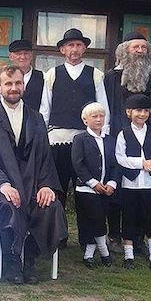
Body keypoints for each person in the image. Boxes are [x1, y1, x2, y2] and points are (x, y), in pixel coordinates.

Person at [0, 65, 68, 285]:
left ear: (24, 86)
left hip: (34, 185)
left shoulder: (36, 119)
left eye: (18, 83)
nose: (14, 88)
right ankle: (11, 260)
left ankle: (30, 259)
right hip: (2, 186)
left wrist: (46, 185)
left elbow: (45, 157)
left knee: (50, 206)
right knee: (6, 206)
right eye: (8, 83)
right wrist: (2, 185)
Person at [39, 28, 110, 207]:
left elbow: (103, 108)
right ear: (63, 50)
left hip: (86, 140)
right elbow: (45, 108)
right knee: (58, 187)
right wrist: (42, 137)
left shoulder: (95, 74)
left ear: (84, 49)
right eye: (70, 45)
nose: (75, 49)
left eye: (79, 45)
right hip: (58, 140)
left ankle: (88, 234)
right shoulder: (52, 74)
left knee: (85, 190)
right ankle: (57, 233)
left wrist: (103, 135)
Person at [115, 94, 151, 271]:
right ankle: (128, 256)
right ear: (129, 112)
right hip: (130, 183)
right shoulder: (123, 133)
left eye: (146, 111)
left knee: (150, 219)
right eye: (138, 110)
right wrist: (140, 163)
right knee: (129, 217)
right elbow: (119, 157)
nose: (142, 114)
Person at [71, 102, 118, 268]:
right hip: (86, 189)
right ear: (85, 120)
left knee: (97, 220)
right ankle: (104, 250)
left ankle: (88, 255)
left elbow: (115, 164)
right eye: (94, 116)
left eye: (101, 116)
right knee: (96, 219)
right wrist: (93, 183)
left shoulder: (110, 140)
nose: (99, 119)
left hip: (106, 189)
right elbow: (78, 164)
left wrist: (111, 183)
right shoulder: (80, 139)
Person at [104, 31, 151, 134]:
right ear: (125, 50)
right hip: (119, 130)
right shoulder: (112, 76)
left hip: (149, 130)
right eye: (136, 47)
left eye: (144, 47)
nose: (140, 50)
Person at [8, 39, 45, 112]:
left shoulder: (43, 77)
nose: (23, 57)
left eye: (26, 53)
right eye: (18, 53)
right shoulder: (3, 78)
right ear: (10, 56)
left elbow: (45, 105)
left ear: (31, 56)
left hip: (34, 121)